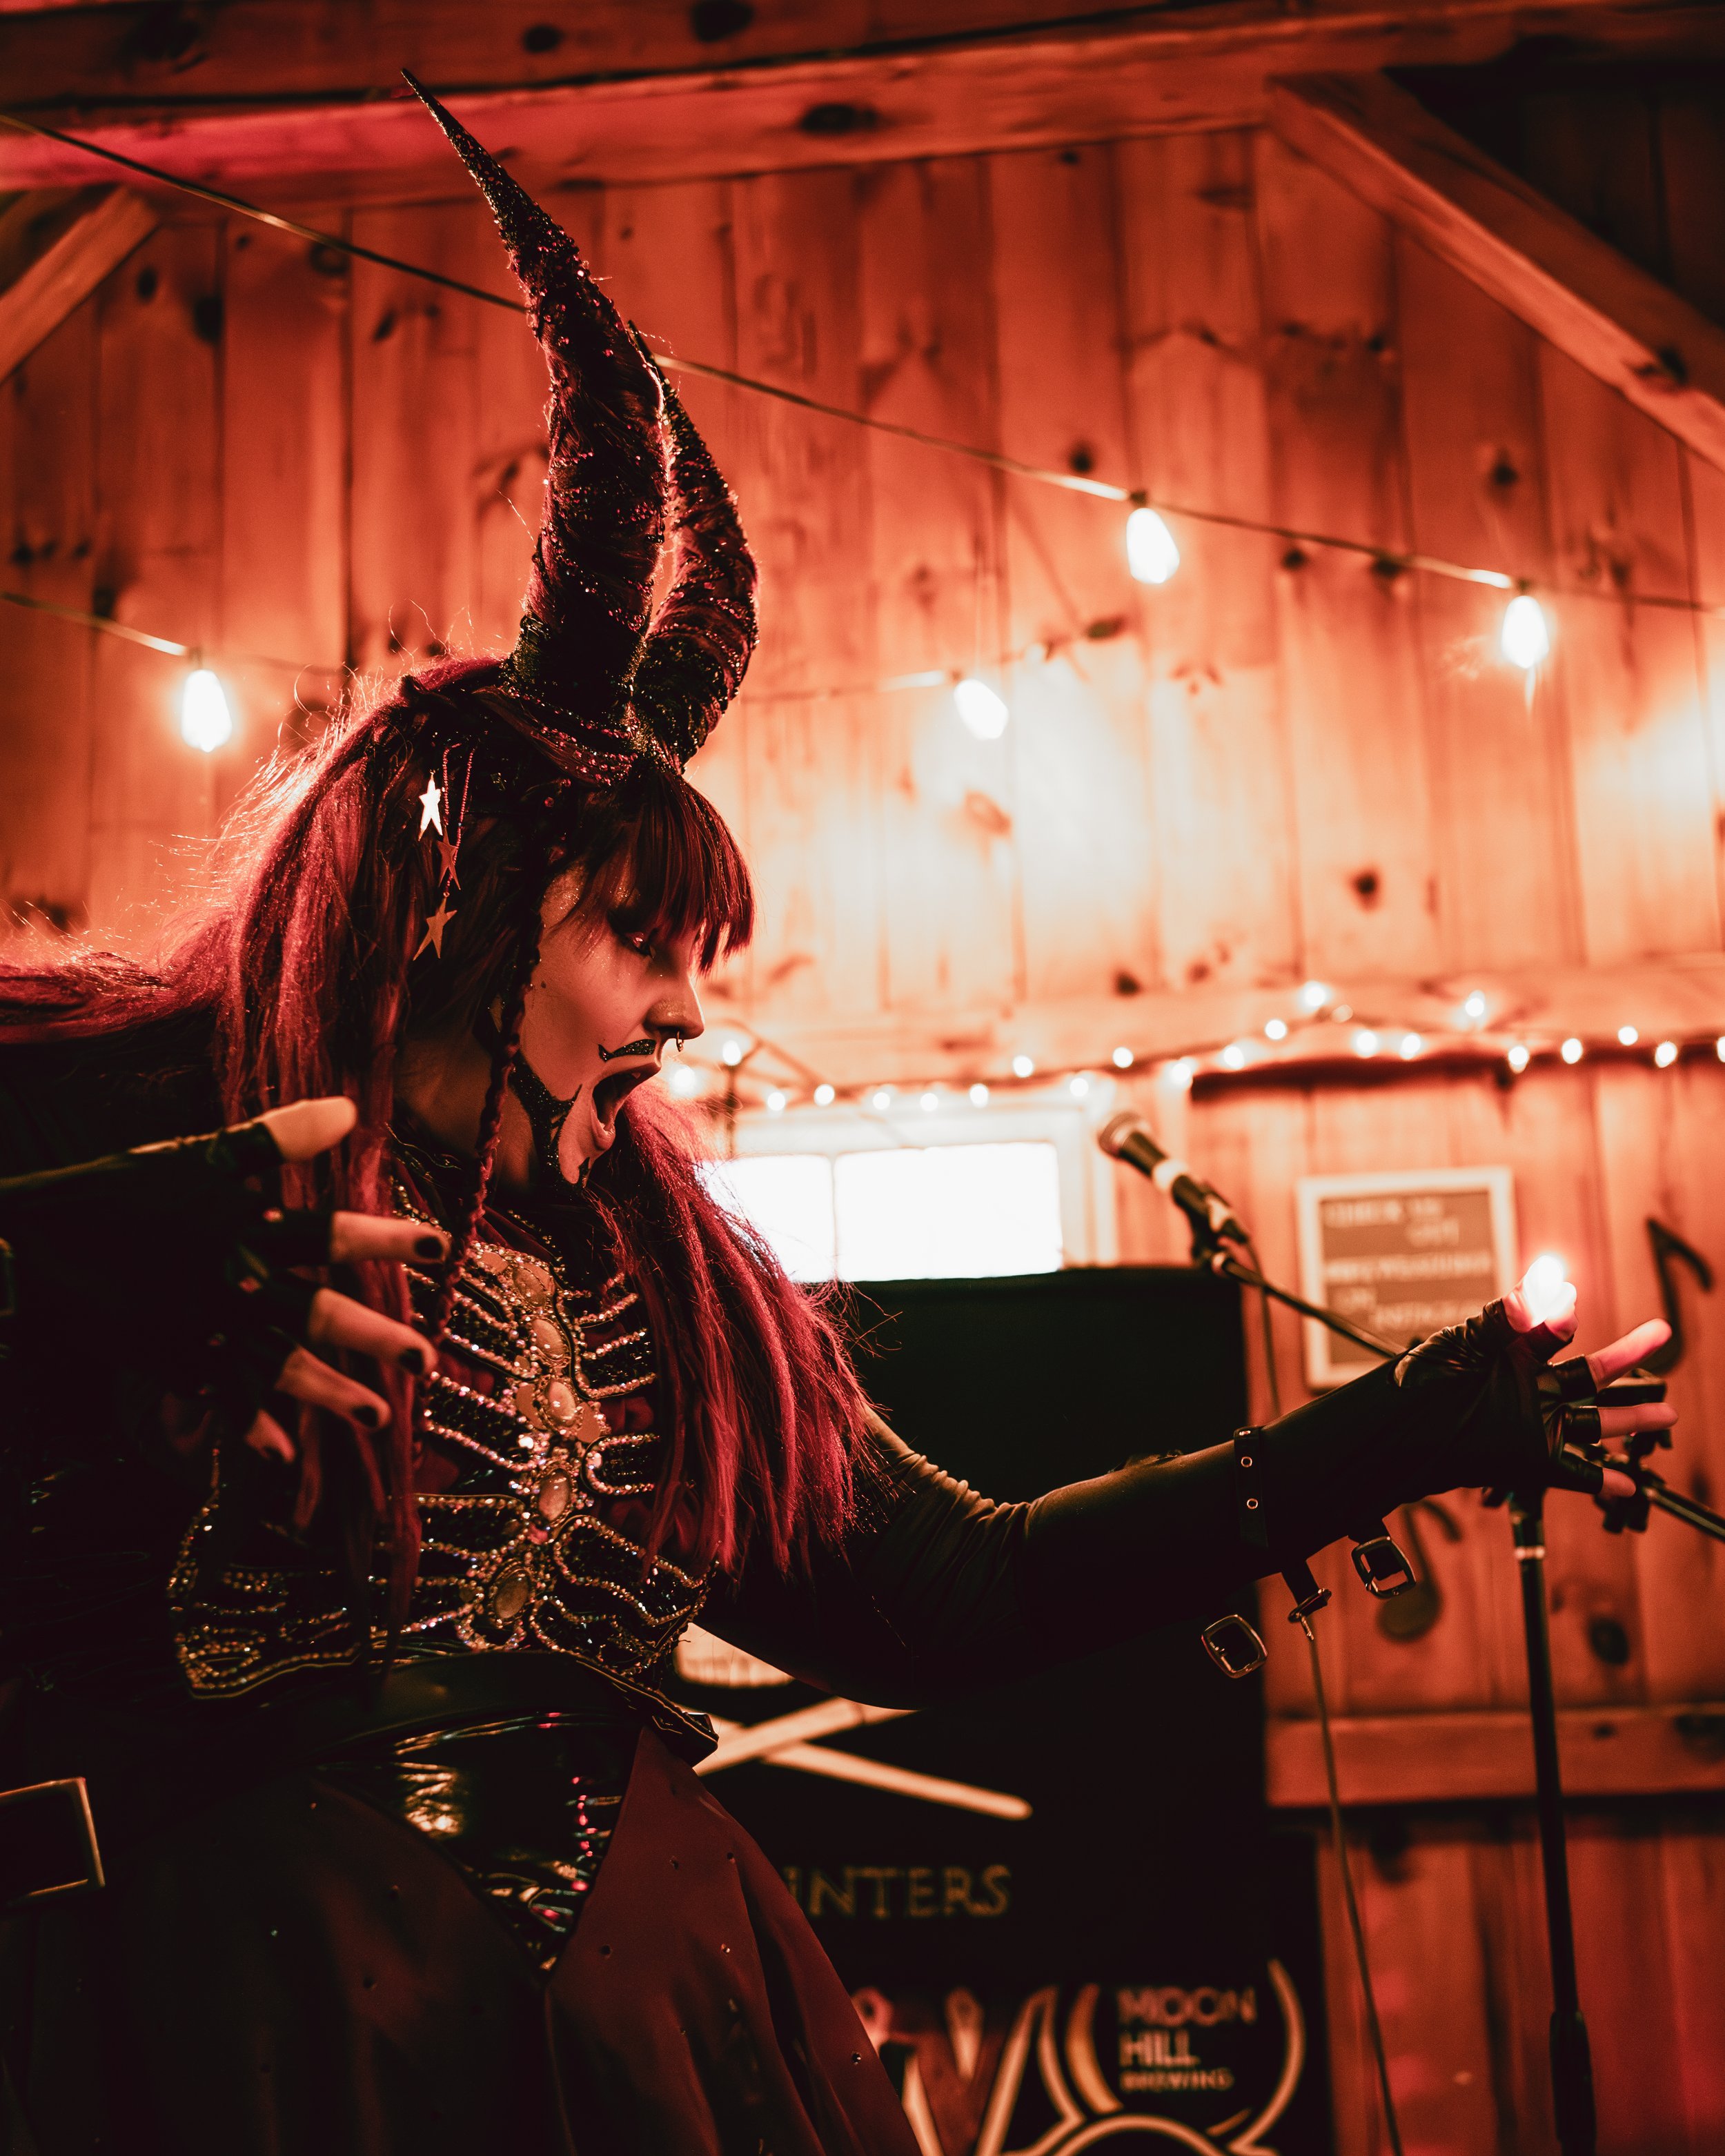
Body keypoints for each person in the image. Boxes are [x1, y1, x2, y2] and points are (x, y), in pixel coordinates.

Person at [0, 83, 1672, 2156]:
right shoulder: (123, 1108)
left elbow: (943, 1600)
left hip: (643, 2016)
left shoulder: (670, 1278)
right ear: (457, 903)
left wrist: (1403, 1428)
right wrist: (96, 1272)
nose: (688, 1011)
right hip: (219, 2023)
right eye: (638, 940)